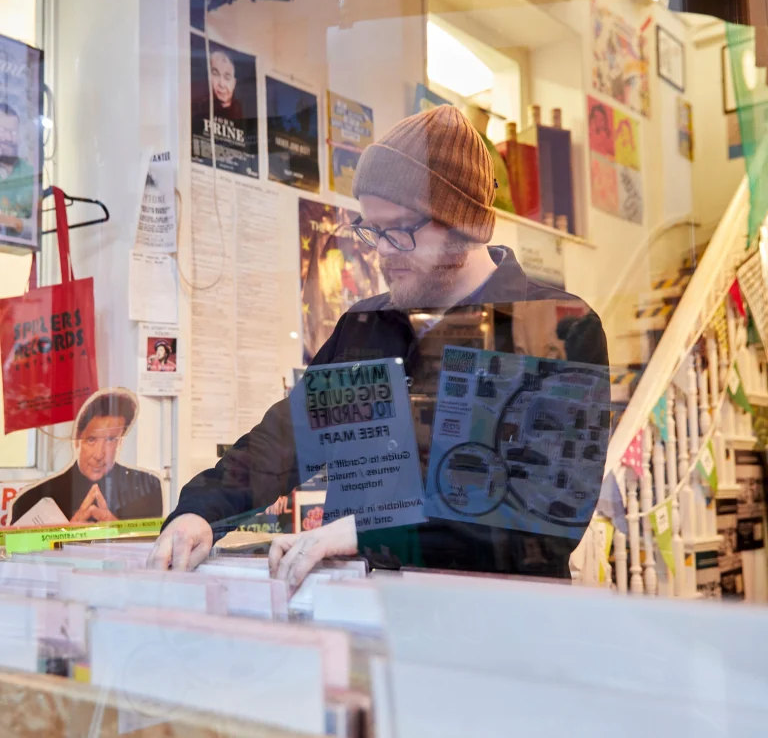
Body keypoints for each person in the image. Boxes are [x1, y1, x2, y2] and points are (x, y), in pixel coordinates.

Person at [148, 106, 609, 588]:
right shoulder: (366, 328)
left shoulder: (554, 330)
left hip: (491, 628)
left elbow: (542, 523)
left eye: (401, 229)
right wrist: (201, 511)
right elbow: (281, 445)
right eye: (373, 229)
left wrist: (362, 534)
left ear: (465, 224)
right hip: (363, 618)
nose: (383, 250)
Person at [11, 390, 163, 524]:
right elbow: (13, 554)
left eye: (110, 440)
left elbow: (153, 551)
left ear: (120, 442)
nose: (99, 455)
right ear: (77, 441)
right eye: (91, 440)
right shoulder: (31, 500)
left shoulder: (146, 488)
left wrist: (118, 533)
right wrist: (64, 539)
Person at [0, 102, 35, 238]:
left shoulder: (31, 175)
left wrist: (15, 222)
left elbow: (40, 225)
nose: (9, 138)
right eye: (2, 131)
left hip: (20, 256)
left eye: (13, 132)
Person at [210, 48, 243, 122]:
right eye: (215, 74)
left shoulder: (239, 112)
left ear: (234, 83)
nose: (221, 84)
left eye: (227, 77)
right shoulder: (202, 108)